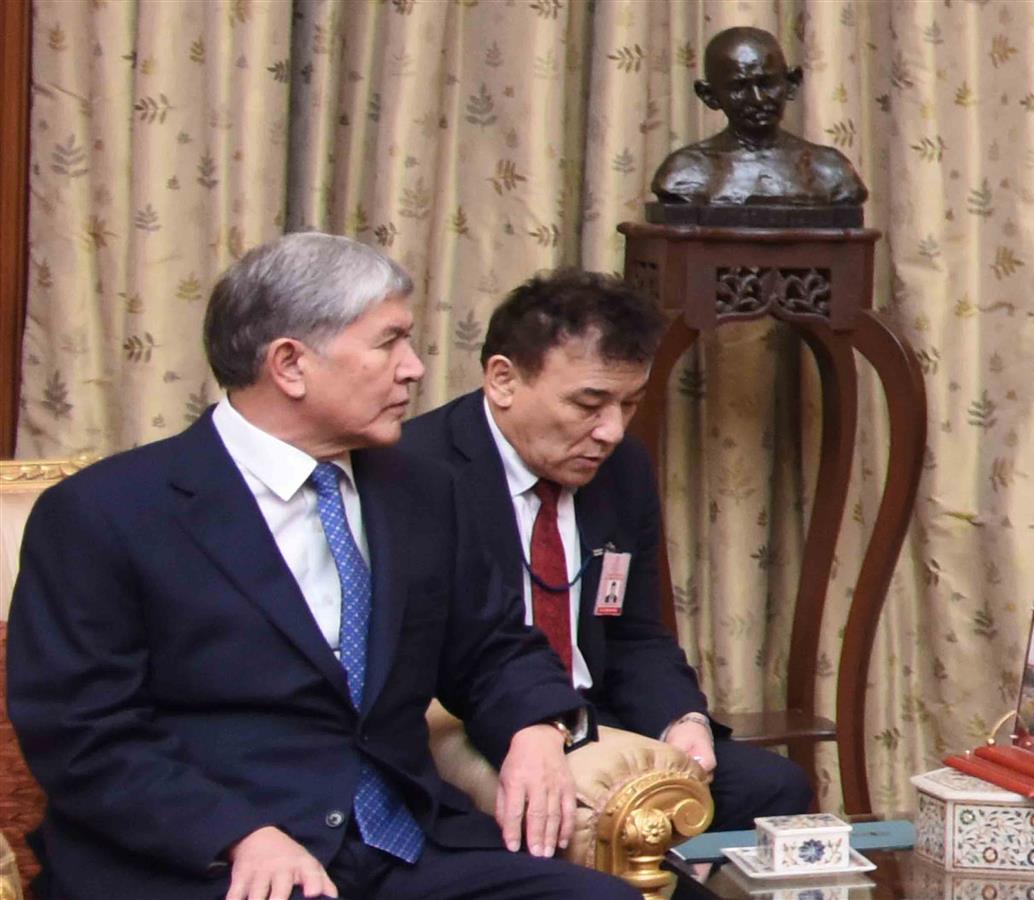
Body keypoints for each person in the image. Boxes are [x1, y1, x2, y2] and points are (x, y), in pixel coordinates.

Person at [4, 233, 663, 899]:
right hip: (209, 859)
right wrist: (238, 834)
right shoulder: (107, 512)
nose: (413, 368)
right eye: (389, 342)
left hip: (400, 849)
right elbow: (84, 735)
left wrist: (532, 728)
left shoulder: (423, 490)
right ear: (290, 364)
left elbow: (491, 647)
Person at [402, 269, 812, 832]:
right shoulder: (418, 470)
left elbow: (632, 633)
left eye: (629, 404)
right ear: (502, 380)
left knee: (773, 787)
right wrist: (534, 723)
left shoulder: (622, 470)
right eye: (589, 404)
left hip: (593, 712)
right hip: (477, 715)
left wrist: (681, 719)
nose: (612, 432)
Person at [651, 26, 868, 207]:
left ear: (791, 84)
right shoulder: (684, 173)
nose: (757, 99)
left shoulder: (831, 171)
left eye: (767, 84)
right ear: (709, 95)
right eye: (738, 86)